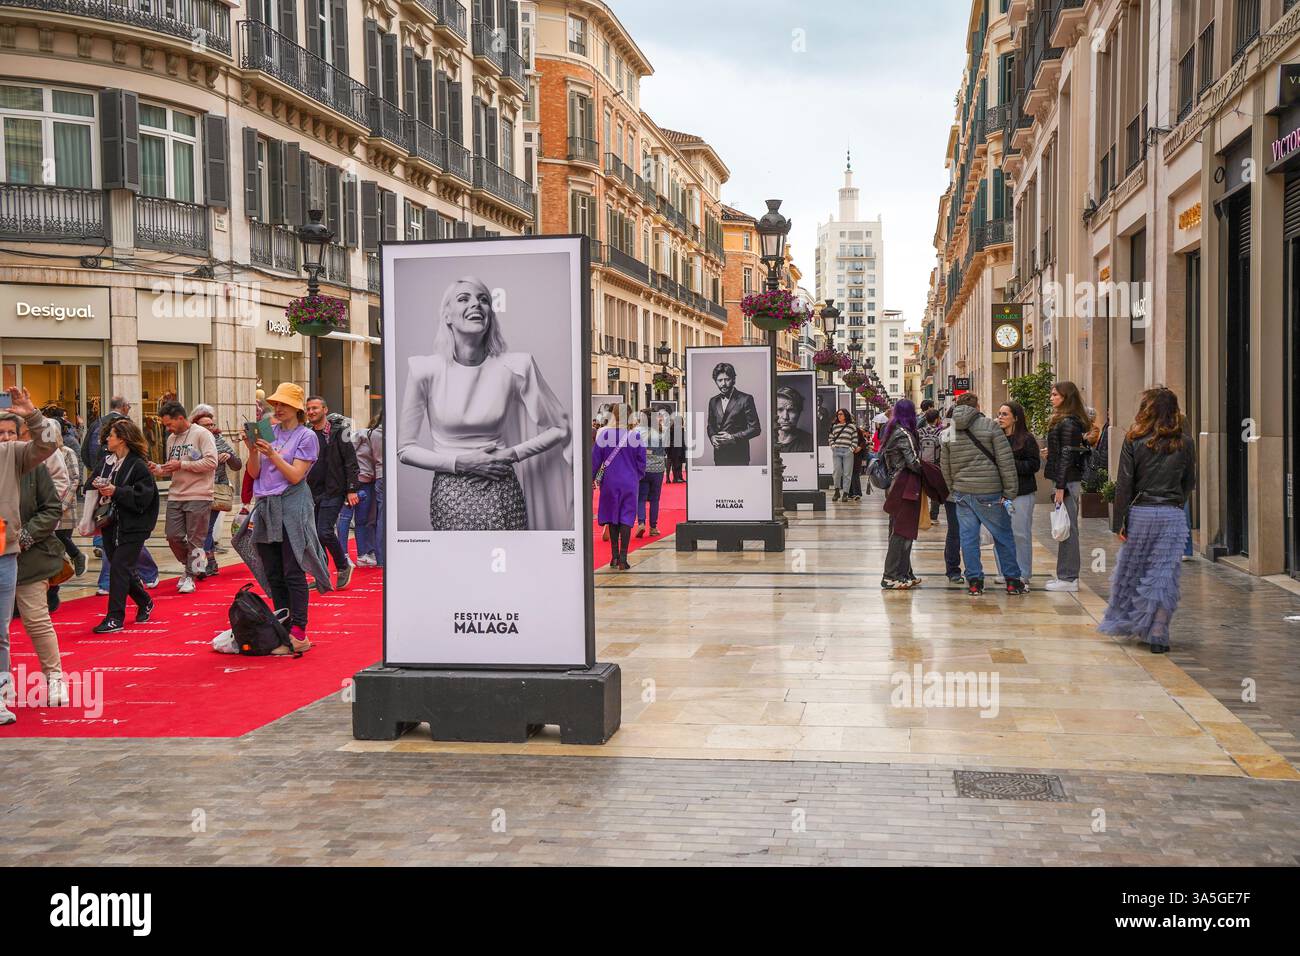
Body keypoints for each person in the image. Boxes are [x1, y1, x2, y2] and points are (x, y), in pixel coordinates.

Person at [398, 276, 573, 531]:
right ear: (447, 315)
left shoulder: (516, 366)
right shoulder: (424, 369)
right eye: (463, 299)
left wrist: (511, 454)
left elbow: (559, 428)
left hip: (501, 486)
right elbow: (405, 450)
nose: (476, 305)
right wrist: (460, 463)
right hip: (452, 493)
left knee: (511, 566)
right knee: (457, 568)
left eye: (484, 300)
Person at [1099, 387, 1197, 653]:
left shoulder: (1133, 439)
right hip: (1172, 515)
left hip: (1141, 513)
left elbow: (1124, 485)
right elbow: (1190, 481)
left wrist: (1119, 522)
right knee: (1164, 574)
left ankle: (1134, 622)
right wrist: (1177, 503)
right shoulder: (1186, 442)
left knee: (1135, 571)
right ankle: (1158, 630)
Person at [238, 383, 331, 654]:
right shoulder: (269, 430)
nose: (277, 408)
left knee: (293, 571)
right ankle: (283, 628)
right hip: (266, 505)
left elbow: (295, 476)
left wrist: (272, 454)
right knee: (274, 572)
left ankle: (299, 631)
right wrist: (253, 450)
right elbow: (254, 474)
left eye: (283, 404)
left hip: (292, 506)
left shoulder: (307, 436)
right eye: (275, 403)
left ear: (297, 409)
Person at [0, 412, 69, 716]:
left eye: (10, 433)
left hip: (29, 555)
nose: (5, 438)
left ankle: (54, 676)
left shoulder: (32, 466)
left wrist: (25, 535)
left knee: (36, 619)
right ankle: (5, 683)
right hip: (4, 552)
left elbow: (52, 507)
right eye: (0, 433)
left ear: (20, 435)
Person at [939, 393, 1027, 596]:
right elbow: (1005, 461)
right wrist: (1010, 491)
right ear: (977, 406)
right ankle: (1012, 580)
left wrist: (953, 488)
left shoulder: (949, 431)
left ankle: (975, 582)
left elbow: (945, 466)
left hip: (962, 492)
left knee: (968, 538)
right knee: (1003, 536)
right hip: (990, 491)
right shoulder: (991, 426)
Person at [89, 418, 160, 635]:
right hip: (111, 522)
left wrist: (116, 491)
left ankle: (115, 617)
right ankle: (145, 600)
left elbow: (144, 496)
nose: (107, 439)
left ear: (122, 439)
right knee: (122, 567)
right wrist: (97, 484)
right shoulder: (108, 462)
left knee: (119, 566)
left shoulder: (138, 464)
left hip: (134, 525)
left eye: (111, 435)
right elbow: (90, 482)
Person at [148, 401, 217, 595]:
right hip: (176, 493)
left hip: (200, 494)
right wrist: (158, 469)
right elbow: (174, 467)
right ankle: (194, 564)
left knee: (196, 539)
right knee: (173, 536)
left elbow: (211, 462)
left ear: (180, 418)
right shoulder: (171, 439)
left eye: (169, 424)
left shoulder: (202, 434)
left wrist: (182, 465)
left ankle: (190, 575)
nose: (167, 428)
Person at [1042, 381, 1092, 592]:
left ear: (1066, 397)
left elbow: (1067, 455)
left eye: (1055, 395)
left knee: (1067, 529)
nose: (1051, 398)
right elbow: (1063, 452)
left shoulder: (1069, 423)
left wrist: (1060, 487)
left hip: (1067, 482)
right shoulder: (1064, 421)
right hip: (1064, 480)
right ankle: (1065, 575)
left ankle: (1069, 577)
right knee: (1064, 527)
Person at [305, 397, 360, 589]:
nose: (311, 411)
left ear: (325, 409)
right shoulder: (307, 434)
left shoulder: (340, 432)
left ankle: (343, 565)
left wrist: (352, 489)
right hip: (312, 492)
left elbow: (351, 461)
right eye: (308, 408)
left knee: (324, 531)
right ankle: (321, 575)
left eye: (315, 408)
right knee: (315, 535)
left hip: (334, 490)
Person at [592, 407, 646, 571]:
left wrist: (593, 477)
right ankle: (623, 558)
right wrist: (635, 476)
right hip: (629, 482)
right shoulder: (635, 436)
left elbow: (595, 460)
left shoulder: (605, 435)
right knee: (626, 518)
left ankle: (614, 557)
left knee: (612, 517)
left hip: (610, 482)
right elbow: (642, 462)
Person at [190, 406, 241, 578]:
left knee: (207, 527)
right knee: (198, 529)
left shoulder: (219, 439)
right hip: (196, 489)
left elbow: (238, 464)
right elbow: (191, 464)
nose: (210, 428)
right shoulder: (191, 442)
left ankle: (206, 562)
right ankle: (208, 562)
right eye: (205, 425)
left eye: (212, 425)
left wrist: (230, 458)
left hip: (216, 489)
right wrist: (212, 461)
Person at [879, 399, 924, 589]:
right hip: (903, 485)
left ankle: (904, 573)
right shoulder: (903, 434)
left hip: (896, 485)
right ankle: (890, 576)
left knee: (902, 529)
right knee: (901, 531)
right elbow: (913, 462)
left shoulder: (892, 430)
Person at [996, 401, 1041, 585]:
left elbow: (1034, 465)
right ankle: (1004, 571)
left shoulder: (1027, 439)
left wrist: (1010, 463)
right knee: (1000, 534)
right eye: (999, 414)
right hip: (999, 493)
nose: (1000, 417)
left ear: (1016, 417)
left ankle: (1023, 572)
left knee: (1020, 534)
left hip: (1022, 492)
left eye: (1004, 414)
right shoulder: (996, 438)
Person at [338, 412, 382, 568]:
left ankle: (363, 554)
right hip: (354, 483)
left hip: (368, 483)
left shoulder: (375, 437)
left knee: (362, 520)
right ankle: (343, 555)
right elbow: (345, 456)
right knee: (345, 518)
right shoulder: (361, 435)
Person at [706, 363, 762, 466]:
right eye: (720, 380)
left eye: (727, 379)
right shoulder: (713, 401)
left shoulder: (746, 399)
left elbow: (755, 428)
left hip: (739, 455)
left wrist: (733, 437)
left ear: (733, 380)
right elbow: (710, 425)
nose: (723, 384)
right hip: (719, 455)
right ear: (715, 381)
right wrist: (712, 437)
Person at [635, 410, 668, 538]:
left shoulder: (637, 431)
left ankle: (641, 523)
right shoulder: (661, 431)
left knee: (641, 498)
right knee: (655, 499)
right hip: (658, 469)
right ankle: (653, 527)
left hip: (643, 469)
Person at [919, 408, 944, 523]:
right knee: (935, 490)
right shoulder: (941, 432)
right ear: (937, 419)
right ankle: (933, 516)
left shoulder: (919, 432)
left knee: (921, 490)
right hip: (936, 465)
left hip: (922, 465)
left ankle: (920, 514)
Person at [774, 386, 814, 454]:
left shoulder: (810, 442)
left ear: (799, 412)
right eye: (780, 410)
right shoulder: (767, 442)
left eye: (791, 410)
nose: (785, 417)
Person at [828, 409, 857, 502]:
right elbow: (831, 437)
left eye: (841, 414)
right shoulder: (835, 426)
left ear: (845, 415)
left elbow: (855, 439)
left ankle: (845, 493)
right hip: (837, 451)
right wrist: (833, 446)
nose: (839, 416)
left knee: (847, 473)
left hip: (847, 451)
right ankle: (836, 491)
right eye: (838, 414)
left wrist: (851, 449)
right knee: (837, 472)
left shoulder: (851, 426)